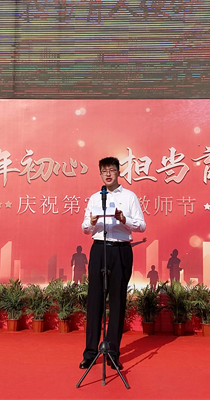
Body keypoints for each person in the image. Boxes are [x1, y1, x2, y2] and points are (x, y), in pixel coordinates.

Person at [79, 156, 146, 371]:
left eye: (112, 170)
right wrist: (90, 223)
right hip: (99, 248)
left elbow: (142, 226)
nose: (108, 174)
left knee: (117, 301)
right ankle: (90, 353)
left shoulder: (129, 196)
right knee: (95, 301)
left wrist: (124, 219)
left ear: (118, 172)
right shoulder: (95, 198)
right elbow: (85, 228)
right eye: (104, 171)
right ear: (100, 174)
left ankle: (113, 352)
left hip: (120, 250)